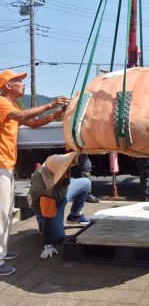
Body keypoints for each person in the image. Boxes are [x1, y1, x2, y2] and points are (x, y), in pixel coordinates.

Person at [0, 69, 70, 276]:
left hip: (6, 164)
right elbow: (23, 116)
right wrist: (52, 103)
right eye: (17, 81)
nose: (23, 83)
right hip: (1, 164)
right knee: (1, 212)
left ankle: (3, 250)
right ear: (6, 86)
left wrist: (56, 114)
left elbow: (32, 122)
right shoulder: (2, 103)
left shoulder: (10, 106)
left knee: (6, 211)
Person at [27, 152, 91, 259]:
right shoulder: (46, 190)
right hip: (50, 205)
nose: (67, 174)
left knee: (85, 183)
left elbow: (74, 154)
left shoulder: (56, 161)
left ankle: (75, 215)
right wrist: (48, 245)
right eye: (63, 173)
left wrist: (82, 157)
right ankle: (42, 224)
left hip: (61, 194)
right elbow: (48, 215)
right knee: (58, 238)